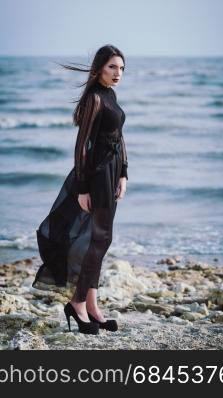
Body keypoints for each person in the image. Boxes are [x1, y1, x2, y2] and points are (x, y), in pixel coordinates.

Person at [32, 45, 129, 335]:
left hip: (112, 174)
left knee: (102, 240)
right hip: (95, 176)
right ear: (99, 68)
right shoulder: (94, 99)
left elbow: (119, 137)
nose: (118, 73)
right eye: (113, 67)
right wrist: (83, 188)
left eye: (122, 69)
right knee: (97, 240)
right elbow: (81, 145)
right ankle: (77, 304)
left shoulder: (110, 94)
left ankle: (92, 307)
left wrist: (124, 173)